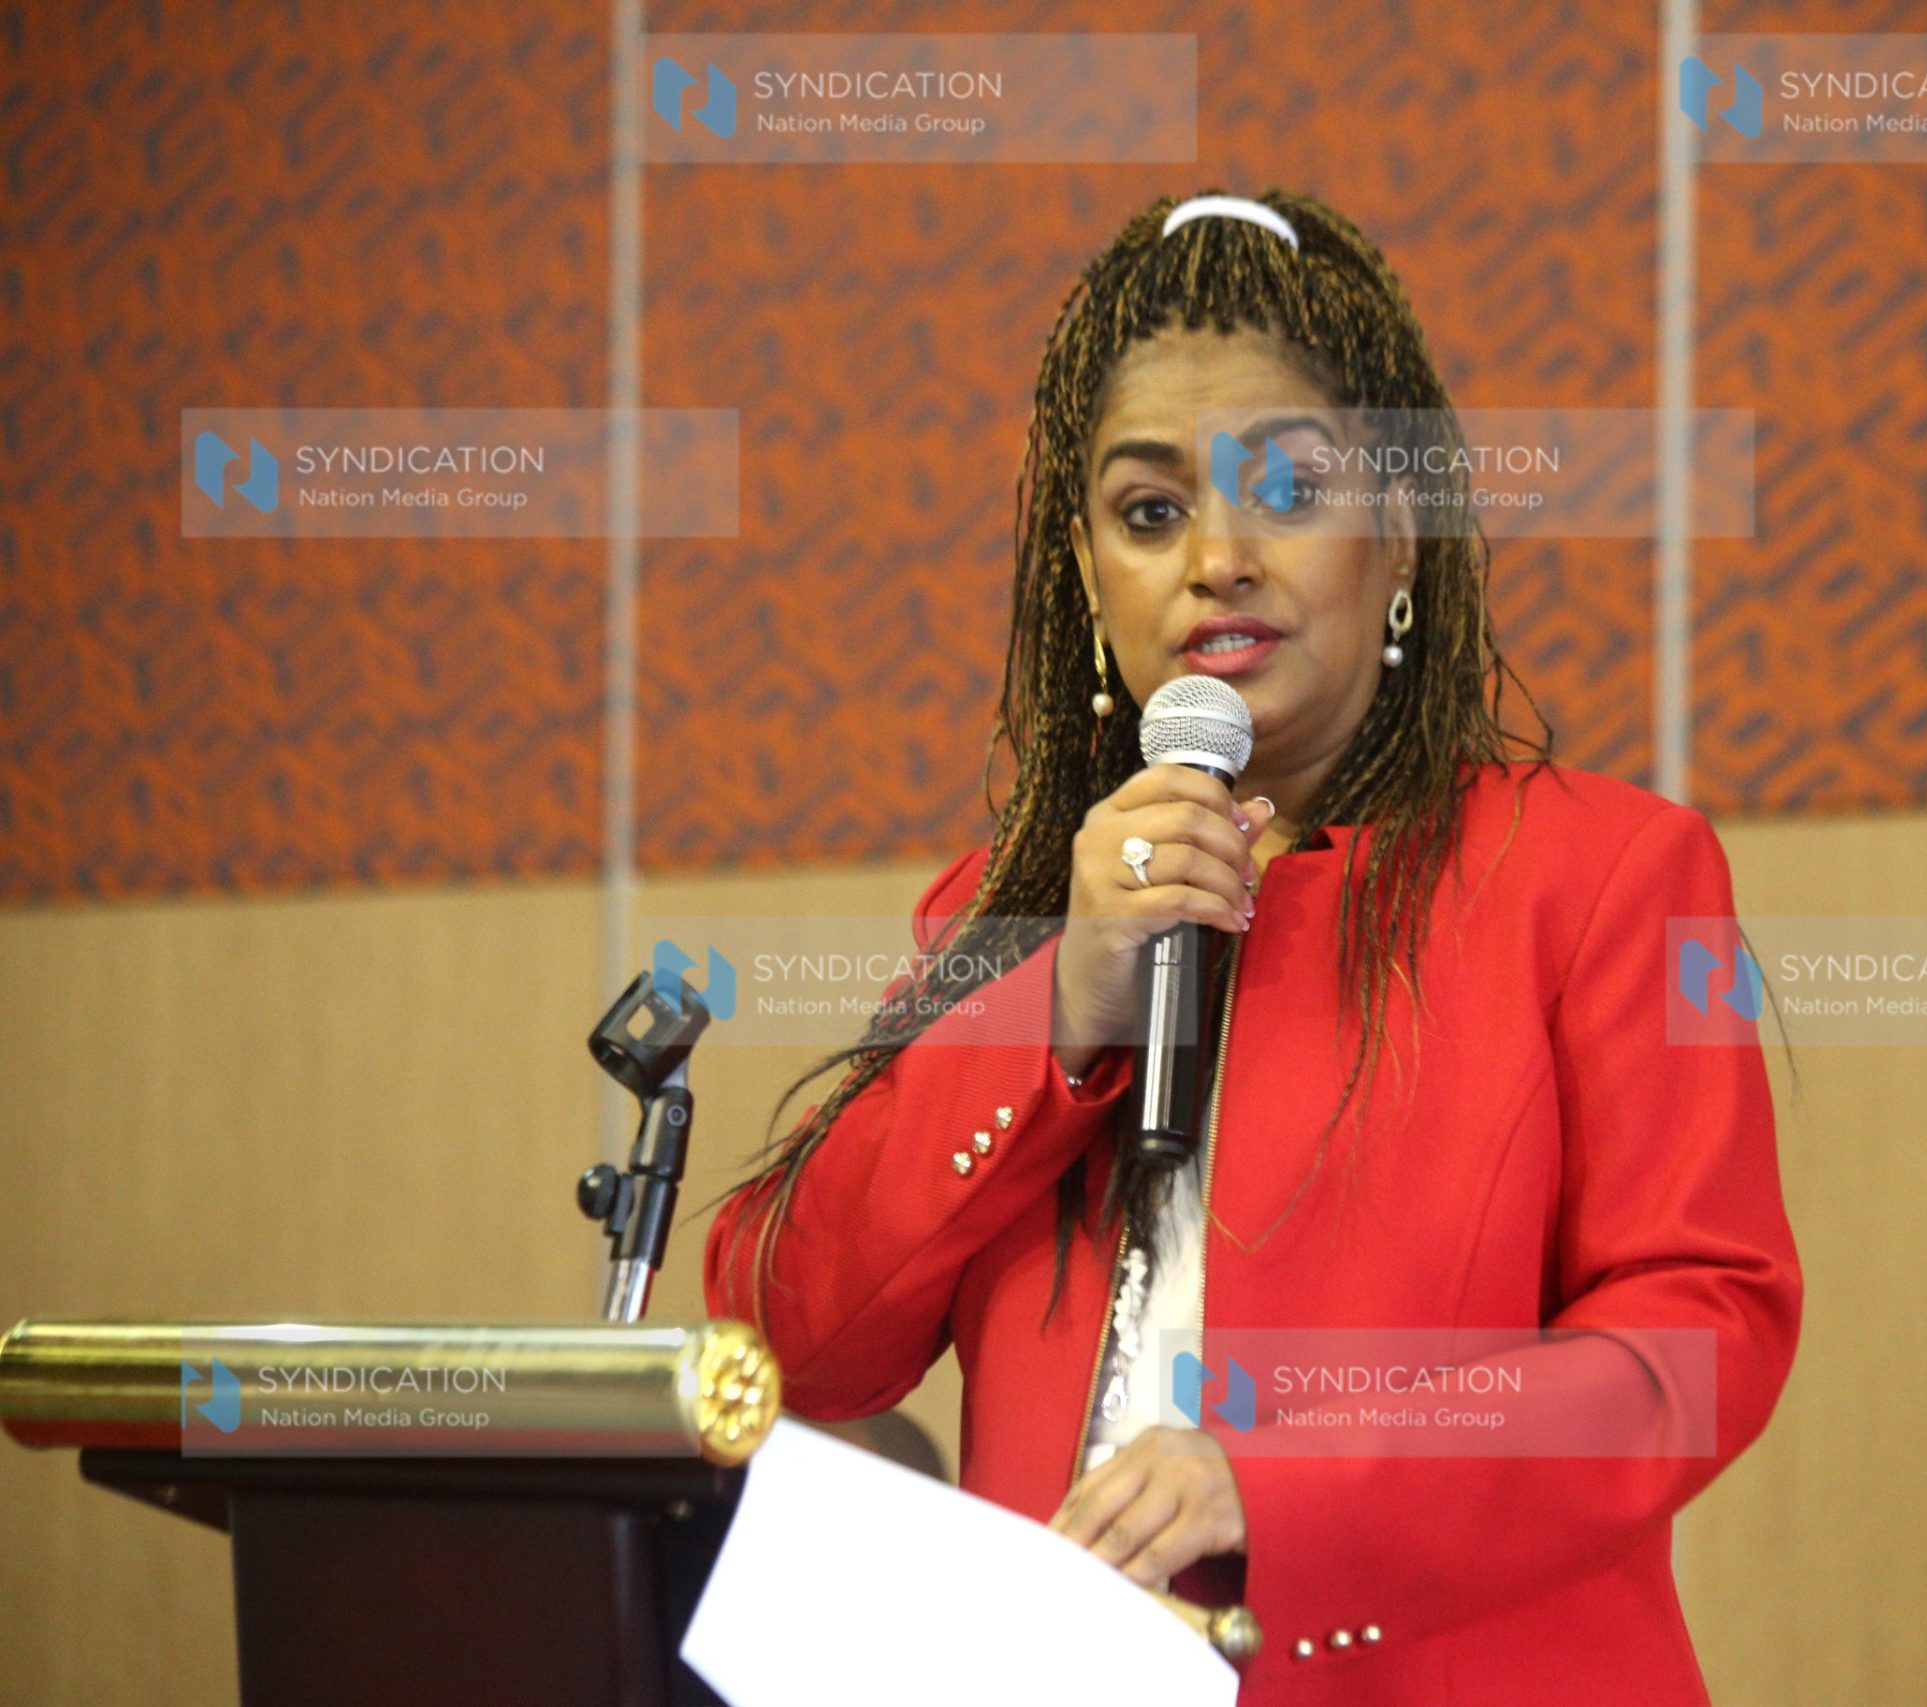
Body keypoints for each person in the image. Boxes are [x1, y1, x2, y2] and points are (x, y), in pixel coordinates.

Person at [702, 187, 1802, 1704]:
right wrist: (1060, 1002)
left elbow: (1695, 1343)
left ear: (1401, 529)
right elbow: (782, 1339)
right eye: (1150, 513)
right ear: (1089, 580)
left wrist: (1276, 1489)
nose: (1216, 557)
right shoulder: (1007, 914)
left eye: (1288, 489)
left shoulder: (1601, 874)